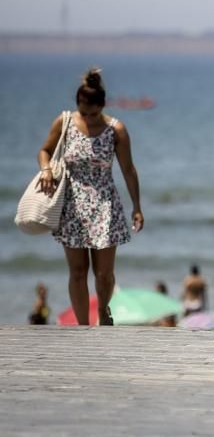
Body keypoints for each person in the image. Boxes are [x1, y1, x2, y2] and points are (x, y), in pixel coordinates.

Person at [38, 68, 144, 326]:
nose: (87, 118)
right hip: (72, 205)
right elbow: (44, 150)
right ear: (77, 105)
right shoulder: (64, 122)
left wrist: (137, 207)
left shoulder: (115, 129)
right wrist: (46, 169)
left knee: (104, 274)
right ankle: (83, 327)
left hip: (105, 205)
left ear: (102, 106)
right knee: (77, 271)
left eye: (92, 113)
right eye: (83, 112)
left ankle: (103, 309)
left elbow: (128, 170)